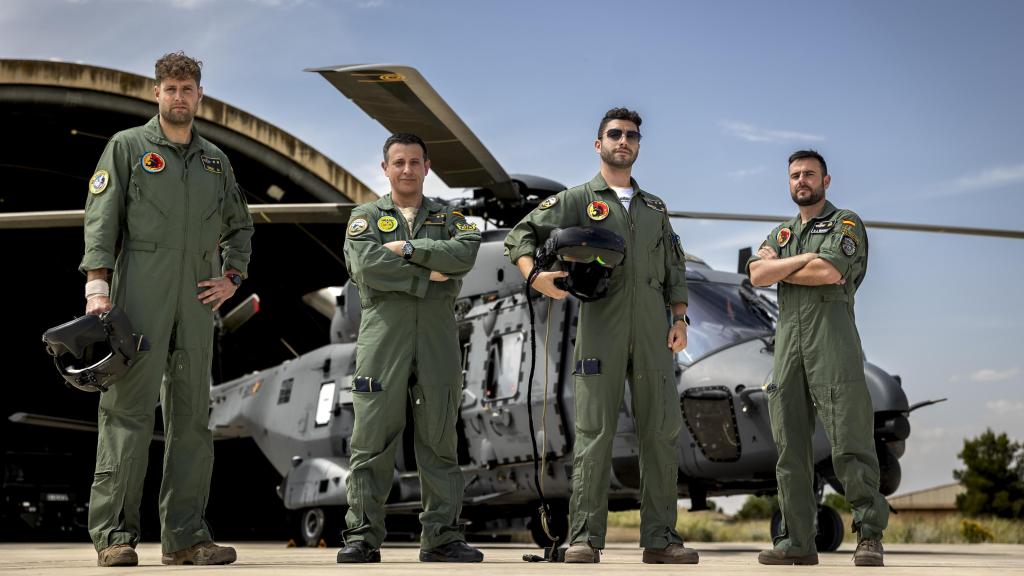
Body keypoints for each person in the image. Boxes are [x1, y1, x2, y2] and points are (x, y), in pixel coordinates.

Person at [81, 51, 253, 567]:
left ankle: (186, 538)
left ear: (200, 95)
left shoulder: (215, 161)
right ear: (155, 93)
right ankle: (115, 536)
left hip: (198, 303)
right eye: (170, 88)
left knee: (192, 421)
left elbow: (240, 227)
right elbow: (101, 217)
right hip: (140, 295)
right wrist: (97, 283)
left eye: (188, 89)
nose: (179, 97)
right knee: (126, 414)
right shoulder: (127, 148)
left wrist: (232, 277)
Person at [503, 108, 696, 564]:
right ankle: (585, 538)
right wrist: (537, 278)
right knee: (593, 435)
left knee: (660, 435)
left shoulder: (655, 210)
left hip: (653, 331)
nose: (622, 140)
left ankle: (661, 538)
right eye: (614, 134)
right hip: (600, 330)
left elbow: (675, 268)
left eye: (631, 135)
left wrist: (681, 318)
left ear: (638, 146)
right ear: (599, 144)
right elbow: (520, 236)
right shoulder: (577, 199)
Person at [337, 133, 483, 563]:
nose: (406, 169)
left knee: (440, 438)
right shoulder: (364, 216)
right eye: (398, 162)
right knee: (372, 439)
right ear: (385, 168)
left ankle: (442, 537)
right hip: (383, 336)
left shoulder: (452, 215)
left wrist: (410, 248)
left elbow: (465, 253)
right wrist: (428, 277)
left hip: (438, 337)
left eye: (414, 162)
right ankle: (362, 536)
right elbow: (367, 266)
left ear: (426, 167)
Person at [747, 150, 887, 567]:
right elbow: (755, 275)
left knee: (850, 442)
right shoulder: (781, 233)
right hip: (788, 346)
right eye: (794, 175)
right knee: (790, 448)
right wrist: (805, 259)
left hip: (833, 342)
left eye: (809, 174)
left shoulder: (846, 223)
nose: (801, 181)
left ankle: (868, 536)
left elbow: (828, 272)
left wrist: (785, 268)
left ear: (826, 181)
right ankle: (797, 540)